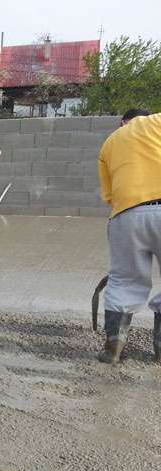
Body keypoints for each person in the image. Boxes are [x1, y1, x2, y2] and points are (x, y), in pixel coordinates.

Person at [97, 108, 161, 364]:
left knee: (123, 281)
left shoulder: (110, 142)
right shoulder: (157, 121)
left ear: (124, 122)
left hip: (127, 214)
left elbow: (110, 195)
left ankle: (114, 346)